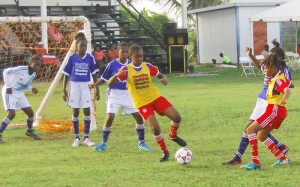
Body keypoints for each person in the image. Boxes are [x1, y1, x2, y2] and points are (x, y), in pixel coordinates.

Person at [107, 44, 187, 162]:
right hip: (143, 104)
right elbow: (109, 83)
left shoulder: (148, 66)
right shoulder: (126, 70)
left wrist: (163, 79)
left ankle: (173, 135)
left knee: (177, 117)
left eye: (141, 56)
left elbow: (160, 75)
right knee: (155, 128)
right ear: (131, 57)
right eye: (137, 57)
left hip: (156, 98)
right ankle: (165, 152)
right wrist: (116, 76)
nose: (140, 59)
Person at [222, 39, 294, 165]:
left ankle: (247, 159)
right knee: (256, 131)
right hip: (262, 99)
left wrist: (282, 93)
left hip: (270, 103)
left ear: (278, 60)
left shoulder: (282, 71)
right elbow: (260, 65)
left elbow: (288, 86)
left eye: (271, 58)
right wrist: (250, 55)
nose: (265, 66)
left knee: (251, 129)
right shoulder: (269, 66)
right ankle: (280, 148)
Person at [89, 42, 152, 151]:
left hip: (128, 94)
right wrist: (95, 85)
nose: (125, 54)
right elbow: (104, 79)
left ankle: (141, 143)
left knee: (138, 117)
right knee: (110, 117)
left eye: (127, 52)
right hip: (114, 94)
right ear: (117, 52)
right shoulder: (112, 65)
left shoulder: (132, 65)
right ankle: (103, 143)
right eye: (122, 51)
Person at [240, 53, 291, 170]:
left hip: (274, 110)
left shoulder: (278, 80)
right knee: (261, 135)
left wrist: (283, 98)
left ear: (273, 68)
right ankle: (283, 159)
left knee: (250, 130)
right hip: (276, 111)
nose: (264, 70)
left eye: (266, 68)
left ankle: (255, 162)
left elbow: (287, 90)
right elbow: (288, 84)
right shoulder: (276, 78)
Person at [62, 32, 100, 148]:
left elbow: (94, 74)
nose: (83, 48)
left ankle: (86, 138)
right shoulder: (72, 58)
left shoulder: (90, 58)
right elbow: (66, 74)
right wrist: (64, 90)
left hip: (86, 86)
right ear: (77, 47)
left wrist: (97, 89)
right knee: (76, 111)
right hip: (74, 86)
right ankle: (77, 138)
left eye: (85, 46)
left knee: (87, 111)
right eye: (81, 46)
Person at [0, 55, 42, 143]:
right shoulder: (21, 69)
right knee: (11, 114)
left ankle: (29, 131)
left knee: (30, 113)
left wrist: (31, 89)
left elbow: (24, 84)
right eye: (35, 64)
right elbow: (6, 71)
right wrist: (8, 85)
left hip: (19, 93)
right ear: (30, 64)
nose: (37, 67)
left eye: (39, 65)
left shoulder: (33, 74)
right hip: (10, 91)